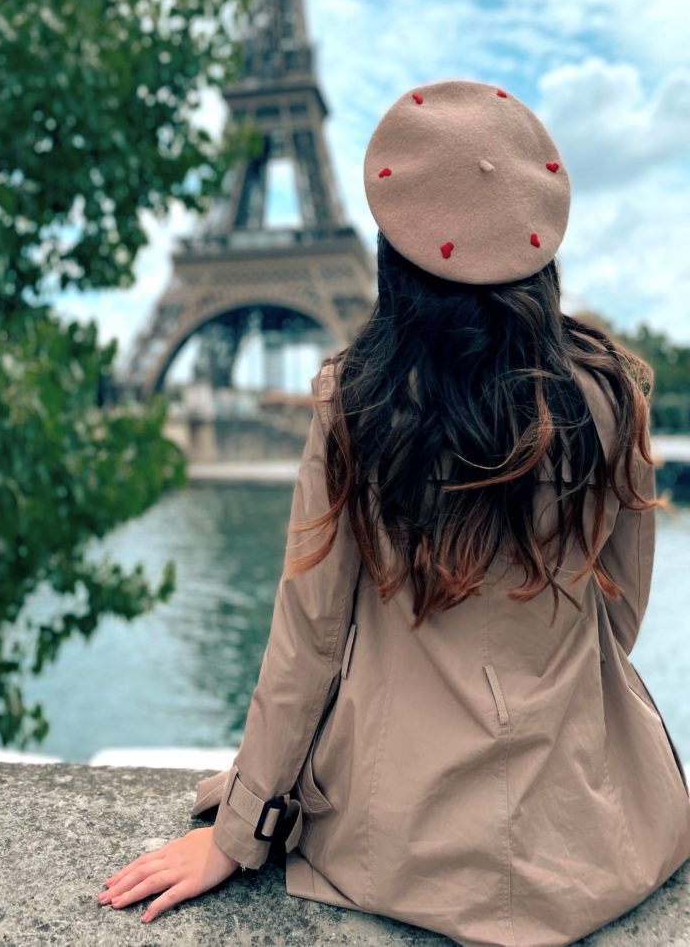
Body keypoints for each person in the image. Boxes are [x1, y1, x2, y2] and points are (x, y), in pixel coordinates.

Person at [96, 80, 690, 944]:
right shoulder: (611, 395)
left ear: (393, 244)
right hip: (590, 832)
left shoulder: (357, 401)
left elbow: (309, 639)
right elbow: (620, 617)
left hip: (400, 837)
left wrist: (236, 835)